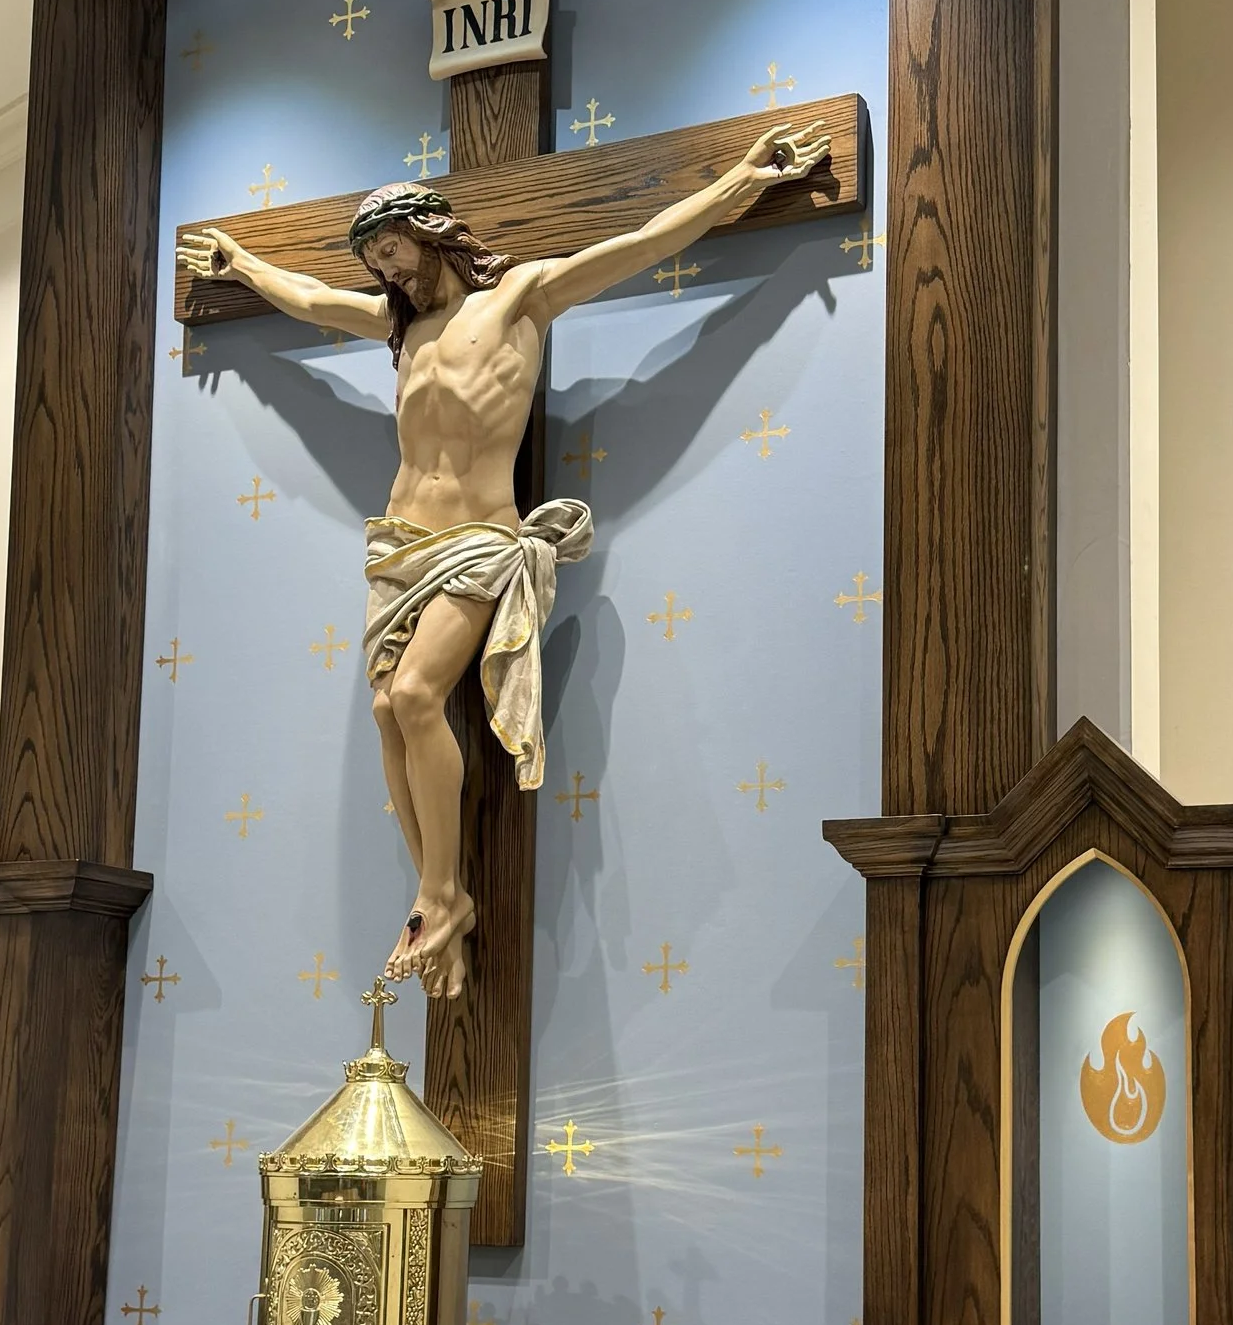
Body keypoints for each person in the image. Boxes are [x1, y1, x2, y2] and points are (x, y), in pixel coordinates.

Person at [176, 119, 831, 998]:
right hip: (399, 548)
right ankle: (433, 891)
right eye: (374, 261)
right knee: (385, 709)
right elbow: (304, 299)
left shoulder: (521, 297)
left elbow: (642, 241)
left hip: (481, 540)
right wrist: (244, 267)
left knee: (414, 695)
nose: (386, 270)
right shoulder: (393, 327)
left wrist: (741, 182)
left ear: (432, 229)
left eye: (394, 249)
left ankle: (445, 895)